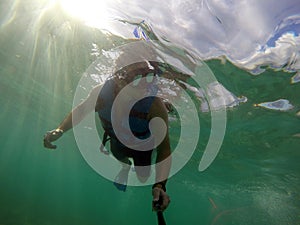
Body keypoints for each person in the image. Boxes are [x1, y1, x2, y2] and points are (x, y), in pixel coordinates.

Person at [43, 60, 171, 212]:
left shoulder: (155, 106)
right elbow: (82, 110)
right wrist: (60, 130)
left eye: (150, 80)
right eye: (138, 81)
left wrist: (160, 185)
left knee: (143, 176)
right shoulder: (102, 92)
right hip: (117, 140)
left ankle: (130, 167)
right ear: (120, 81)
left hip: (142, 147)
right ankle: (125, 168)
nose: (145, 90)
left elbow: (164, 149)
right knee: (119, 156)